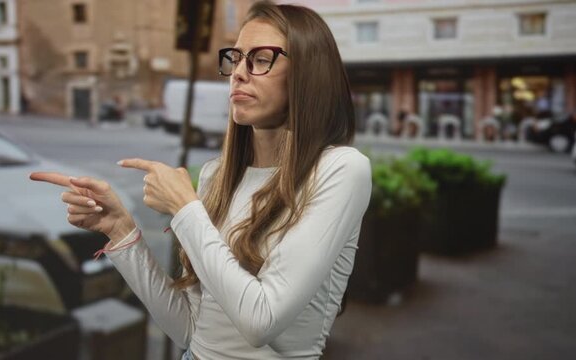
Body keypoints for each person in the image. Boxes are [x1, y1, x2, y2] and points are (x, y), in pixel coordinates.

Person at [30, 1, 371, 359]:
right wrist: (121, 231)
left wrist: (185, 209)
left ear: (308, 73)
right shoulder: (216, 176)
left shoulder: (342, 169)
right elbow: (191, 330)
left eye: (260, 58)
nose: (239, 72)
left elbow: (262, 321)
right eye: (236, 58)